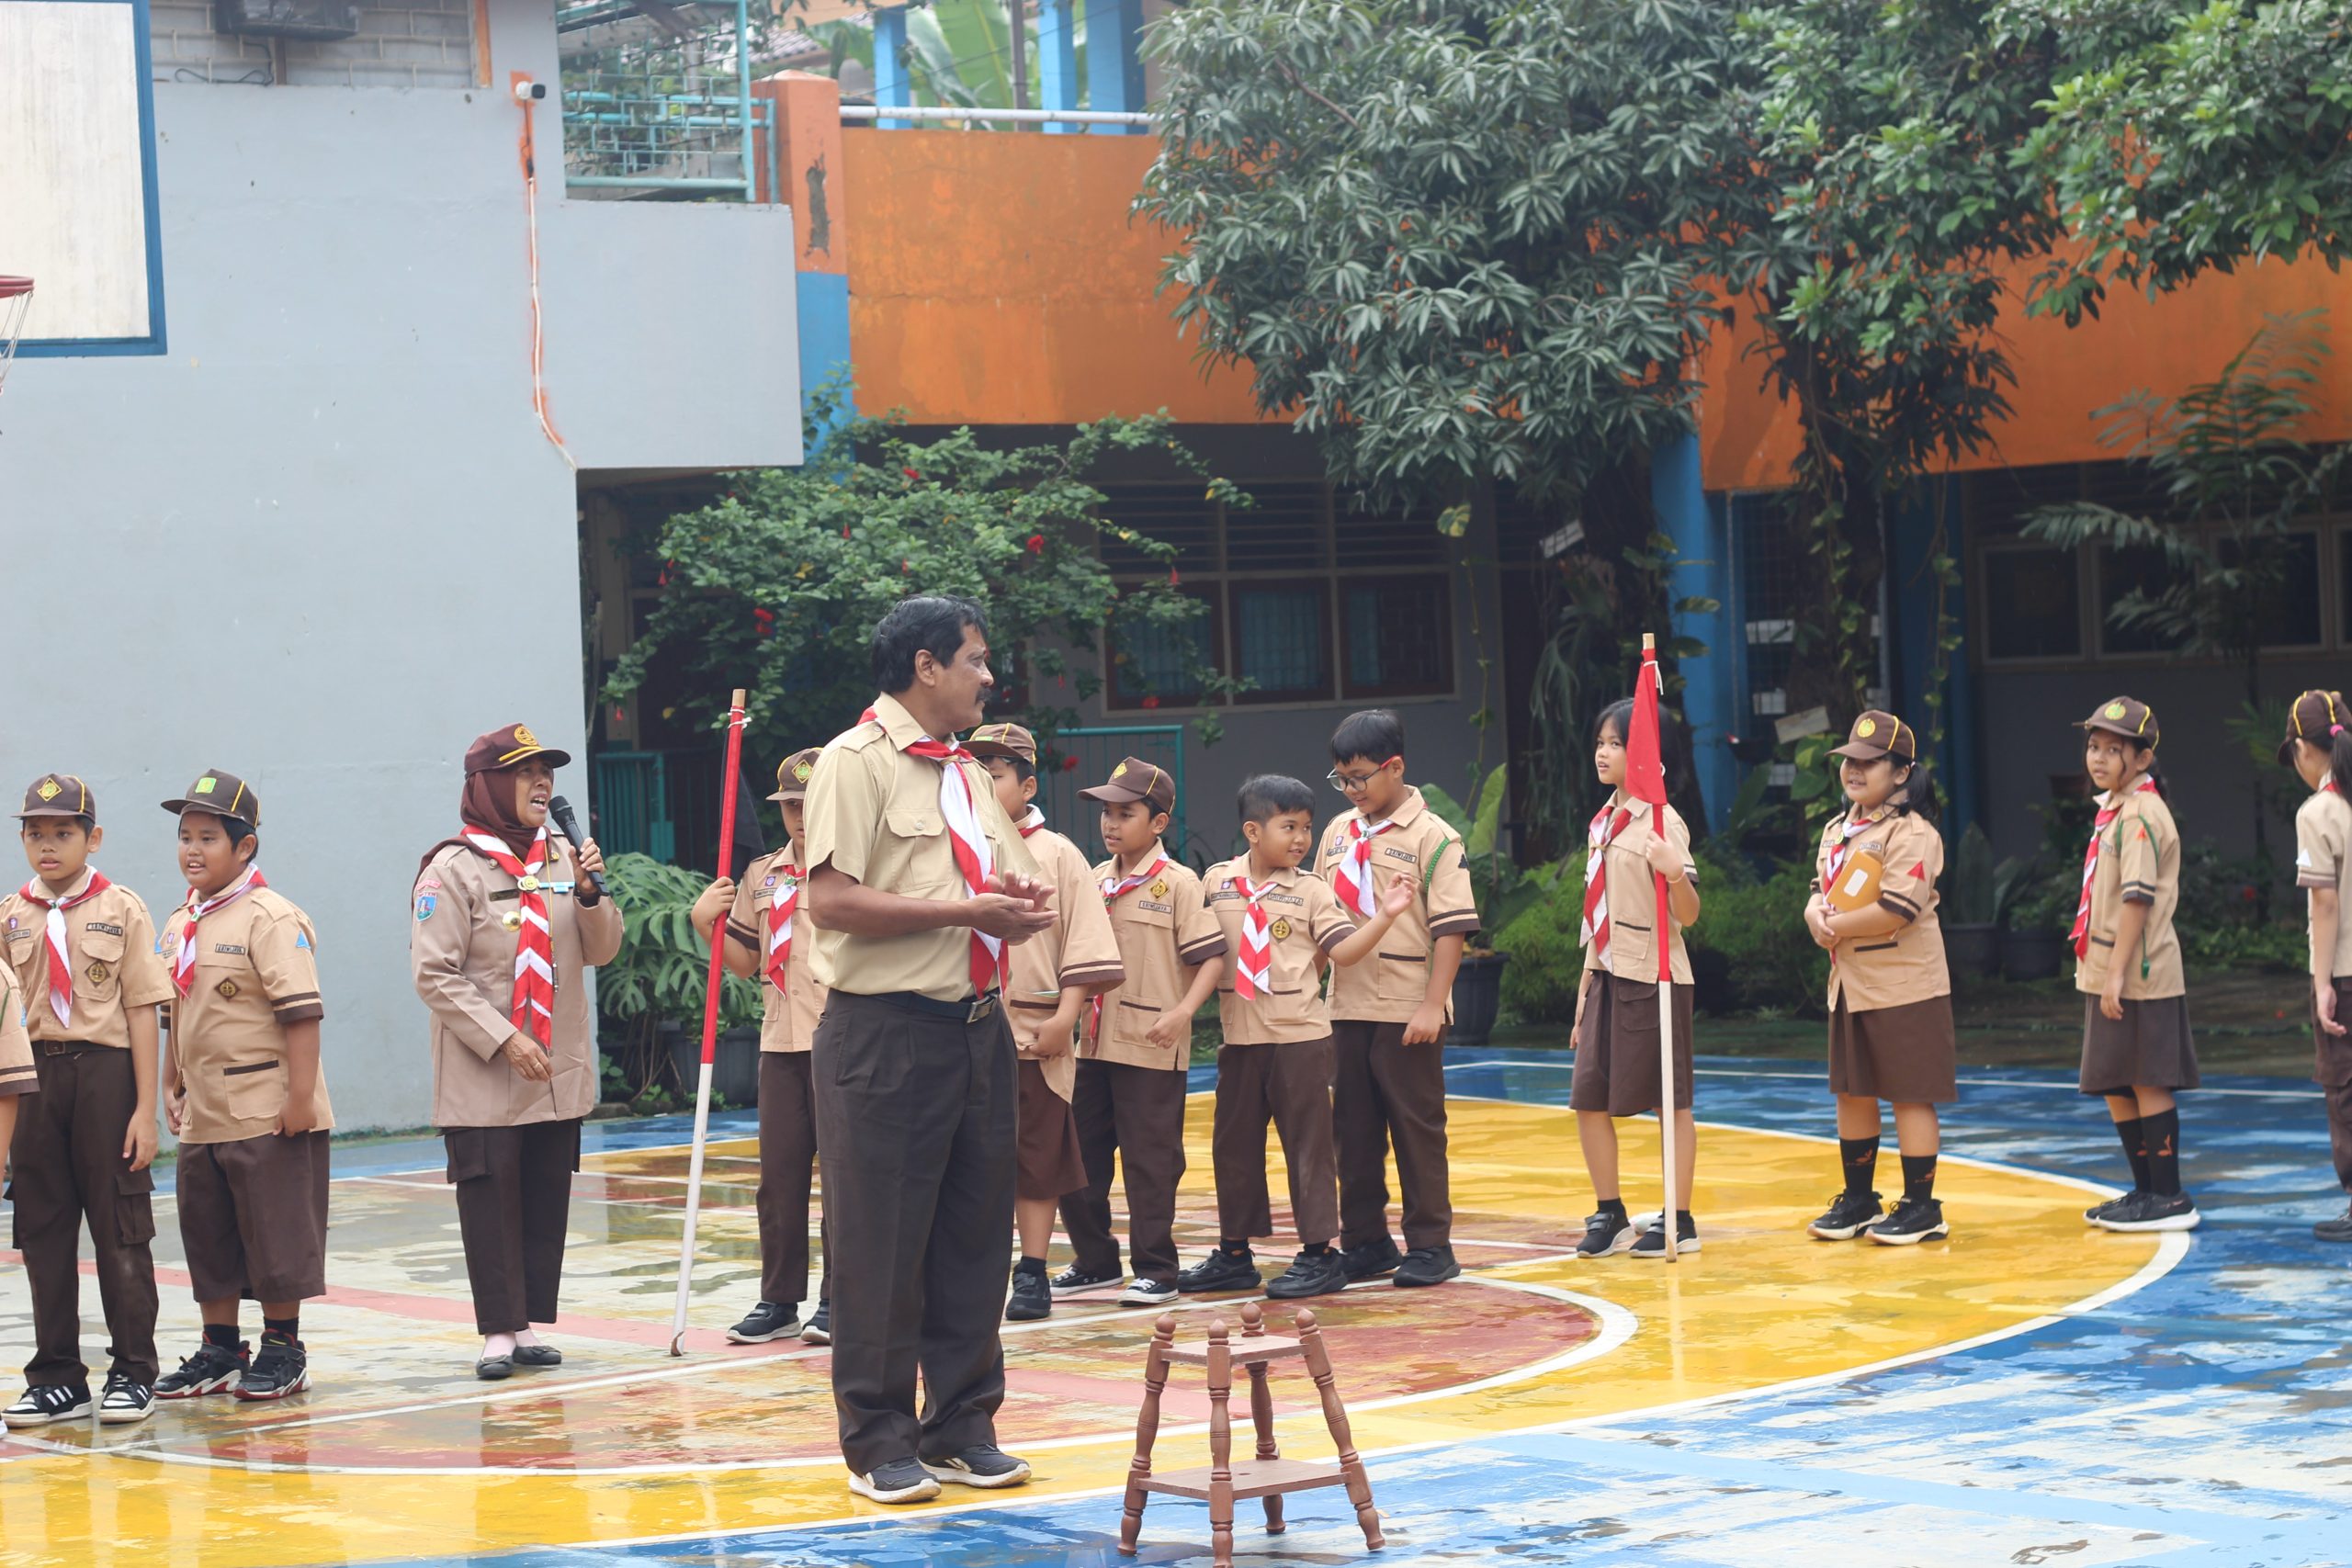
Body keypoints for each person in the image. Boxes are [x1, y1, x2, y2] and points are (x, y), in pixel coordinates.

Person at [800, 594, 1055, 1506]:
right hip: (886, 1032)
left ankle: (962, 1426)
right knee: (880, 1240)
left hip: (977, 1028)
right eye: (975, 659)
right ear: (926, 666)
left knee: (973, 1236)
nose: (988, 676)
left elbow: (994, 876)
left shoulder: (965, 772)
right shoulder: (853, 761)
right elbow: (830, 899)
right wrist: (963, 912)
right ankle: (878, 1440)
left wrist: (1017, 904)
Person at [410, 724, 619, 1379]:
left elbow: (604, 949)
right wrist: (504, 1038)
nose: (542, 783)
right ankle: (497, 1331)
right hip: (484, 1073)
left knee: (541, 1198)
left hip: (552, 1067)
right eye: (525, 772)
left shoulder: (564, 858)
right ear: (489, 785)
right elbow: (434, 974)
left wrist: (590, 892)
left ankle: (525, 1325)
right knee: (490, 1198)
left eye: (546, 772)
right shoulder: (452, 869)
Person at [1182, 774, 1412, 1301]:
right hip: (1240, 1039)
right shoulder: (1217, 883)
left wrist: (1386, 915)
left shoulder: (1311, 891)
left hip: (1299, 1040)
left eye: (1307, 828)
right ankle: (1234, 1254)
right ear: (1253, 831)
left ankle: (1319, 1255)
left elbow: (1344, 951)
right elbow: (1195, 948)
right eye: (1289, 827)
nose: (1302, 839)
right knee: (1233, 1147)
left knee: (1308, 1148)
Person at [151, 773, 334, 1403]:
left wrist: (300, 1099)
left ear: (245, 846)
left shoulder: (270, 918)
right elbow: (174, 1012)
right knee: (208, 1231)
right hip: (203, 1111)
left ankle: (284, 1346)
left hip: (266, 1108)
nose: (192, 849)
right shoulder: (180, 921)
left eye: (208, 837)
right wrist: (170, 1083)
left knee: (276, 1233)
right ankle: (220, 1348)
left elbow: (302, 1014)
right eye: (185, 837)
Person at [2, 774, 169, 1428]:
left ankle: (133, 1370)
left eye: (63, 833)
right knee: (42, 1229)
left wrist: (144, 1110)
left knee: (119, 1226)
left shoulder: (122, 908)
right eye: (35, 833)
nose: (48, 846)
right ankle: (56, 1377)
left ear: (92, 838)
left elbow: (142, 1008)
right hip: (34, 1076)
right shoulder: (11, 916)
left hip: (106, 1074)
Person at [965, 722, 1125, 1323]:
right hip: (959, 1027)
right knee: (969, 1158)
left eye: (995, 775)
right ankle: (971, 1269)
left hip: (1033, 1031)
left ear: (1028, 785)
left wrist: (1066, 1017)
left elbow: (1085, 941)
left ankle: (1031, 1271)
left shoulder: (1058, 854)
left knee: (1036, 1157)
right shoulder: (955, 847)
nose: (983, 785)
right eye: (973, 774)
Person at [1316, 709, 1478, 1288]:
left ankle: (1431, 1244)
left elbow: (1451, 929)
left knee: (1416, 1128)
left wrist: (1434, 1004)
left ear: (1396, 767)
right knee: (1352, 1131)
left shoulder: (1435, 837)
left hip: (1408, 1007)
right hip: (1346, 1005)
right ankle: (1365, 1240)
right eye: (1341, 779)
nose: (1351, 789)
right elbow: (1320, 918)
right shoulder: (1338, 832)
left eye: (1360, 777)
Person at [1056, 757, 1225, 1311]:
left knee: (1150, 1163)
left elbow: (1211, 958)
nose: (1111, 823)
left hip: (1150, 1043)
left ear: (1158, 823)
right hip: (1091, 1042)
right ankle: (1095, 1260)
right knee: (1078, 1156)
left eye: (1125, 813)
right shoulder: (1093, 880)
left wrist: (1183, 1014)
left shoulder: (1178, 884)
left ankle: (1156, 1269)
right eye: (1106, 812)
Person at [690, 747, 835, 1348]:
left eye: (810, 803)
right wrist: (706, 924)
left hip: (841, 1038)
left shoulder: (854, 866)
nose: (799, 815)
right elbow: (747, 961)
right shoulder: (764, 873)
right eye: (790, 805)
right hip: (780, 1042)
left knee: (846, 1178)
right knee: (779, 1178)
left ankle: (840, 1297)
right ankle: (779, 1299)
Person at [1799, 714, 1957, 1246]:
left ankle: (1921, 1206)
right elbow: (1821, 889)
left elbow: (1898, 909)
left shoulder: (1913, 833)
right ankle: (1860, 1199)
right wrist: (1814, 912)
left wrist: (1831, 926)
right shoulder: (1837, 829)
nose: (1855, 769)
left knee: (1910, 1094)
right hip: (1850, 983)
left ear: (1902, 772)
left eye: (1870, 762)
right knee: (1853, 1091)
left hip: (1904, 984)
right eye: (1850, 759)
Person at [1571, 701, 1705, 1259]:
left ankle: (1680, 1218)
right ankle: (1610, 1213)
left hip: (1654, 977)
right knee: (1588, 1098)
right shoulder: (1603, 822)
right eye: (1600, 742)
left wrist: (1674, 872)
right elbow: (1595, 913)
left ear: (1647, 752)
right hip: (1605, 974)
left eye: (1617, 744)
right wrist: (1583, 993)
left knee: (1667, 1102)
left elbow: (1688, 914)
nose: (1603, 753)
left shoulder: (1662, 821)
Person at [2071, 697, 2201, 1234]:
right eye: (2093, 746)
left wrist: (2118, 973)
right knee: (2117, 1080)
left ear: (2143, 758)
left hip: (2138, 970)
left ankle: (2168, 1194)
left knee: (2147, 1078)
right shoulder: (2117, 809)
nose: (2098, 758)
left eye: (2113, 749)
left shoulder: (2142, 813)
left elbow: (2137, 898)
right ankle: (2146, 1190)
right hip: (2111, 966)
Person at [2282, 690, 2352, 1244]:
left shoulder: (2319, 812)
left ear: (2304, 750)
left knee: (2344, 1087)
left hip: (2346, 971)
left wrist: (2323, 982)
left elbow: (2325, 903)